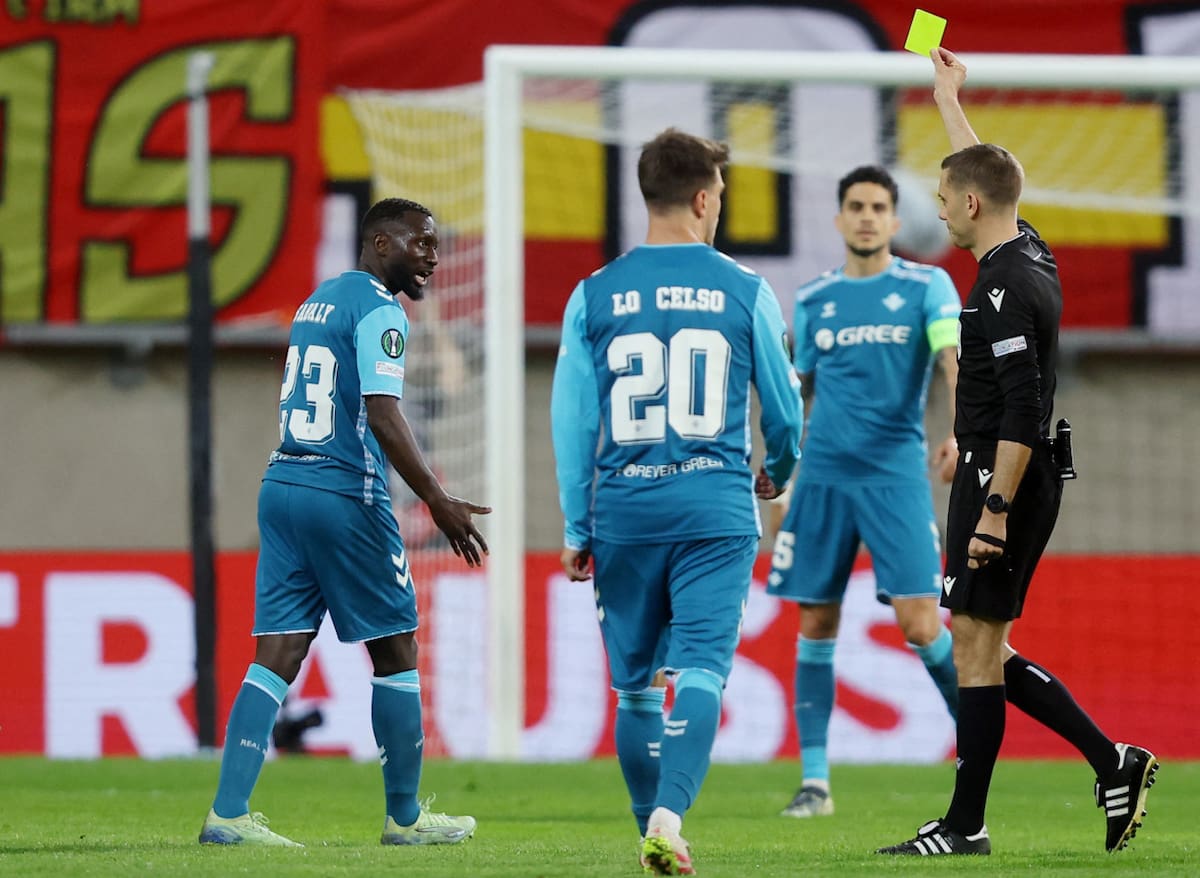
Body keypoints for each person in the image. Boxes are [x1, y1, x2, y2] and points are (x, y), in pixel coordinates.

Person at [877, 49, 1159, 857]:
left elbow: (1026, 409)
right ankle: (1108, 764)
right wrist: (948, 101)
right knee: (978, 640)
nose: (942, 214)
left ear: (969, 205)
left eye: (944, 202)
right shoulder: (1028, 247)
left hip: (1002, 478)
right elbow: (993, 176)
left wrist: (993, 511)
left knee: (973, 640)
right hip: (1003, 474)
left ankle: (970, 824)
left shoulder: (1002, 289)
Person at [198, 197, 490, 848]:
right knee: (397, 648)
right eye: (422, 244)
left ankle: (228, 814)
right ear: (381, 243)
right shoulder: (381, 311)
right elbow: (383, 413)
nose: (434, 257)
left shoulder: (317, 301)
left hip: (283, 486)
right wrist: (437, 499)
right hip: (344, 493)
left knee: (277, 652)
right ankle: (406, 818)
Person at [551, 127, 803, 876]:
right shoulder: (744, 289)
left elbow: (573, 423)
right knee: (699, 670)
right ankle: (668, 817)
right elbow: (786, 411)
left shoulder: (592, 294)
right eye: (720, 196)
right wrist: (778, 469)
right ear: (702, 198)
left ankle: (649, 835)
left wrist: (577, 523)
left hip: (625, 508)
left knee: (633, 688)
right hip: (713, 508)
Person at [766, 164, 962, 820]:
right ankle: (815, 782)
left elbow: (949, 359)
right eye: (856, 206)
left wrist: (963, 432)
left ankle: (980, 743)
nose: (868, 217)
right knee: (816, 619)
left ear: (896, 221)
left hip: (894, 474)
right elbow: (794, 396)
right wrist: (780, 476)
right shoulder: (815, 297)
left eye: (879, 206)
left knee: (919, 622)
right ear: (839, 218)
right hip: (822, 476)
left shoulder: (925, 286)